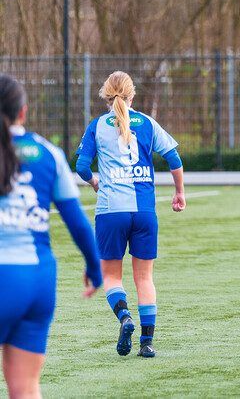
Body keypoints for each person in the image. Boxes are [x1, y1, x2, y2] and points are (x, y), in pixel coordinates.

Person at [0, 74, 101, 397]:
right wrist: (96, 269)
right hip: (40, 282)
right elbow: (78, 223)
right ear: (23, 112)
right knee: (26, 389)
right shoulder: (48, 153)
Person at [76, 71, 186, 358]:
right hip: (144, 212)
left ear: (106, 95)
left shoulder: (98, 125)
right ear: (132, 95)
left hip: (111, 211)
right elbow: (174, 159)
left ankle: (125, 318)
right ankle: (147, 343)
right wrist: (179, 192)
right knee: (145, 279)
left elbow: (82, 167)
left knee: (111, 276)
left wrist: (94, 182)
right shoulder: (147, 123)